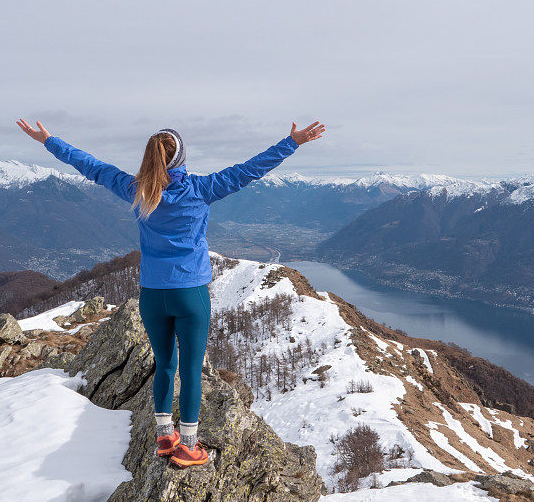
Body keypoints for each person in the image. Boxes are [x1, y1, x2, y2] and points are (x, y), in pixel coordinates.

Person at [16, 118, 325, 468]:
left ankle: (165, 436)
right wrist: (292, 143)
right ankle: (189, 445)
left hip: (152, 294)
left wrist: (49, 140)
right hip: (189, 293)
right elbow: (250, 169)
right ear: (180, 159)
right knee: (192, 369)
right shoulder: (201, 189)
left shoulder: (138, 190)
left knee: (164, 364)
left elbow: (91, 166)